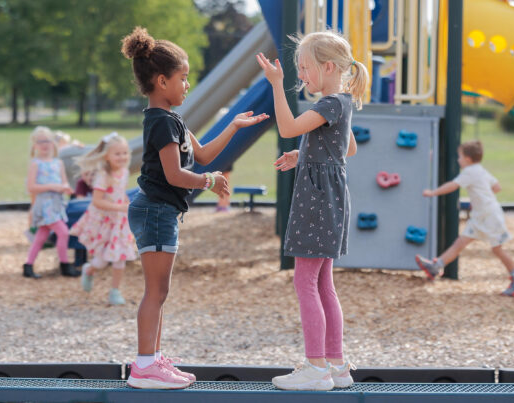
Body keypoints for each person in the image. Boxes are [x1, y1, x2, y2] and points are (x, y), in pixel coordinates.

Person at [121, 26, 269, 389]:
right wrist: (209, 182)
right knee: (155, 292)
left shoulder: (172, 120)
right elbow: (175, 174)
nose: (187, 85)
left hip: (160, 211)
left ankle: (153, 361)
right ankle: (144, 367)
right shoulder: (162, 122)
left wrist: (233, 125)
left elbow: (201, 155)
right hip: (156, 210)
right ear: (161, 81)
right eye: (183, 78)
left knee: (160, 292)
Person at [256, 29, 367, 390]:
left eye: (304, 67)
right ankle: (336, 366)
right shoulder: (342, 103)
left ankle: (315, 368)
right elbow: (347, 149)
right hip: (331, 198)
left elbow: (287, 126)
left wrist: (276, 84)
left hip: (317, 200)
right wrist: (302, 155)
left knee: (304, 280)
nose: (300, 75)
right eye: (297, 68)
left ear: (329, 67)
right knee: (323, 283)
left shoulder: (329, 104)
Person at [416, 140, 514, 296]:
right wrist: (482, 196)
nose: (458, 160)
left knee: (497, 249)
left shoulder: (469, 172)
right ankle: (436, 266)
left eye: (460, 157)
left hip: (489, 217)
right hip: (481, 215)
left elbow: (453, 186)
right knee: (460, 242)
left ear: (467, 159)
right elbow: (497, 187)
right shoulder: (480, 170)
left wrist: (432, 193)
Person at [69, 132, 138, 305]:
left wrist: (128, 205)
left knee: (119, 256)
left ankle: (114, 292)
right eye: (117, 153)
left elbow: (120, 193)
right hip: (104, 221)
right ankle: (89, 269)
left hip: (119, 222)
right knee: (101, 262)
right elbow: (97, 201)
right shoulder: (103, 175)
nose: (122, 157)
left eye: (125, 153)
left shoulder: (124, 171)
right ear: (107, 156)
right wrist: (120, 207)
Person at [23, 126, 80, 279]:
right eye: (40, 141)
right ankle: (65, 265)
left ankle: (28, 265)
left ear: (53, 143)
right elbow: (31, 187)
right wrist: (51, 186)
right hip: (44, 205)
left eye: (47, 140)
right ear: (34, 145)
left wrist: (66, 188)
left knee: (41, 236)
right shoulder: (36, 164)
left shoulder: (58, 163)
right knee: (63, 232)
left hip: (56, 205)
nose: (44, 144)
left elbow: (64, 183)